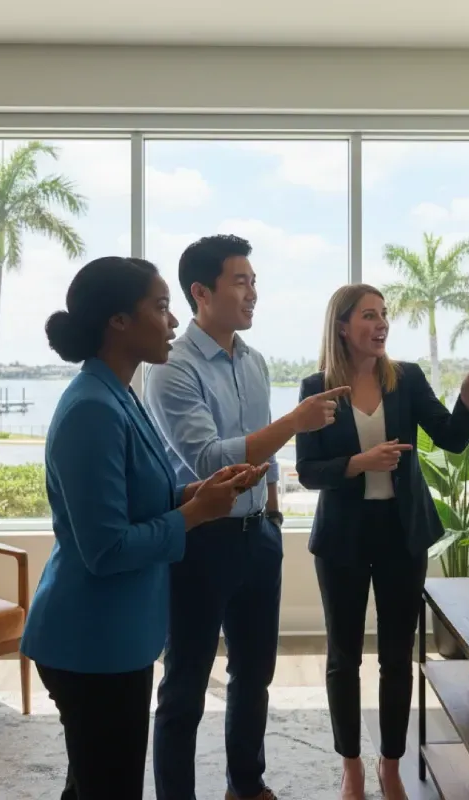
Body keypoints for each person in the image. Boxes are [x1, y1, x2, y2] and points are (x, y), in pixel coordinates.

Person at [20, 256, 267, 800]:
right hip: (90, 644)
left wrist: (195, 493)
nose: (173, 321)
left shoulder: (121, 394)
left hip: (117, 639)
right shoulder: (91, 409)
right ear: (119, 322)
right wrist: (196, 514)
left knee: (92, 783)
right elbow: (106, 548)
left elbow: (140, 500)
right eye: (160, 307)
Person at [144, 234, 348, 800]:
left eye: (254, 281)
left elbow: (267, 458)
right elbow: (209, 458)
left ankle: (246, 784)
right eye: (241, 281)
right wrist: (295, 422)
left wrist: (274, 519)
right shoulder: (170, 368)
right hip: (200, 540)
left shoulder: (254, 362)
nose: (253, 292)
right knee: (184, 683)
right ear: (200, 292)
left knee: (254, 676)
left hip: (259, 536)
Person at [295, 284, 469, 800]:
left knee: (395, 655)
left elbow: (452, 439)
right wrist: (359, 464)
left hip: (401, 535)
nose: (381, 323)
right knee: (344, 656)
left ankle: (390, 763)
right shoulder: (316, 388)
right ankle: (352, 765)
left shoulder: (406, 379)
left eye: (384, 314)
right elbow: (306, 471)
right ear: (343, 326)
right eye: (369, 315)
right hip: (343, 538)